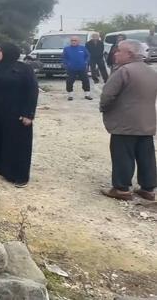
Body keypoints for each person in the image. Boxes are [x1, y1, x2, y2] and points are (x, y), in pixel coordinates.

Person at [99, 39, 157, 201]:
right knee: (146, 155)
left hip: (125, 122)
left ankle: (121, 189)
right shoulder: (151, 71)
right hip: (147, 121)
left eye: (118, 51)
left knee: (122, 155)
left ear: (129, 54)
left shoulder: (123, 71)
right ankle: (148, 189)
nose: (115, 54)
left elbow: (108, 95)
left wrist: (104, 108)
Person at [0, 43, 39, 188]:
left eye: (0, 50)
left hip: (17, 112)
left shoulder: (24, 69)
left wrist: (28, 114)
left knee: (17, 143)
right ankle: (0, 168)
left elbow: (32, 92)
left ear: (9, 52)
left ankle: (19, 175)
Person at [62, 36, 92, 101]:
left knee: (85, 81)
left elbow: (88, 56)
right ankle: (70, 95)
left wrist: (86, 62)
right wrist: (67, 64)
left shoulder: (83, 48)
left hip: (82, 68)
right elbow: (64, 58)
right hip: (71, 69)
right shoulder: (66, 49)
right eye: (72, 40)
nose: (73, 42)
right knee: (69, 82)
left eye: (75, 40)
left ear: (78, 41)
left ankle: (87, 95)